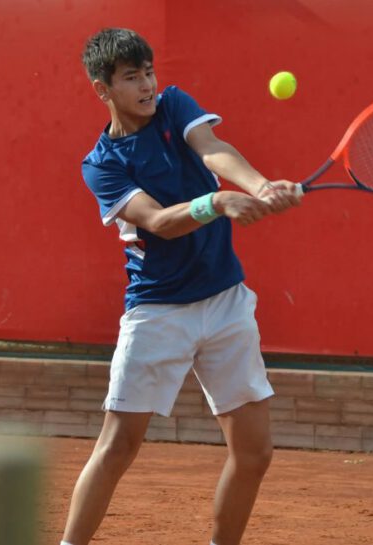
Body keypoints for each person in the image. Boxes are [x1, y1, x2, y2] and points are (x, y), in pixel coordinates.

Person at [61, 28, 301, 545]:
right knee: (119, 444)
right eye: (131, 77)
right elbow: (157, 221)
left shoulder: (174, 106)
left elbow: (212, 149)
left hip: (225, 301)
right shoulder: (102, 164)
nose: (147, 84)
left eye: (148, 71)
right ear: (103, 89)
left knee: (255, 451)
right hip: (158, 311)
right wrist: (215, 204)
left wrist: (258, 187)